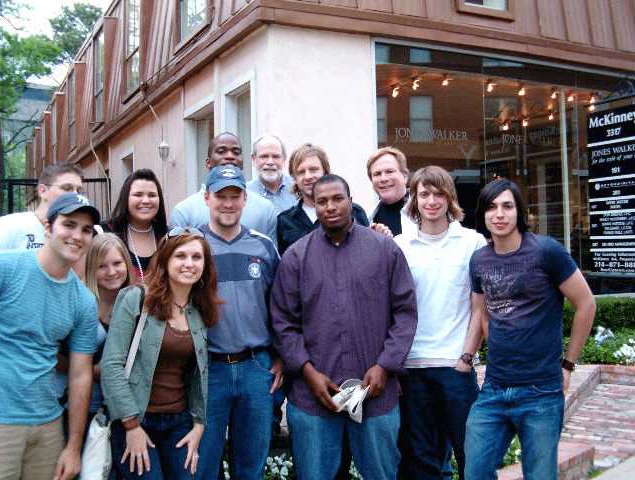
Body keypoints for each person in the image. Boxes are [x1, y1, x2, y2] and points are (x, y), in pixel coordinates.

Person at [271, 174, 418, 480]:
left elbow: (405, 313)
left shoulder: (385, 251)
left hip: (375, 392)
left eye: (337, 199)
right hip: (313, 397)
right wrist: (308, 372)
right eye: (321, 201)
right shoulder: (295, 257)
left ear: (351, 202)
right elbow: (283, 322)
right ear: (314, 206)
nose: (330, 207)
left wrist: (385, 365)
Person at [464, 178, 596, 480]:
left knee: (539, 475)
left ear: (519, 211)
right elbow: (481, 311)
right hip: (494, 390)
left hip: (541, 391)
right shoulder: (479, 260)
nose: (499, 214)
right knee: (475, 472)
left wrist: (568, 364)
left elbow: (586, 305)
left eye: (507, 206)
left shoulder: (547, 251)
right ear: (483, 214)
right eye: (492, 208)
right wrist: (477, 352)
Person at [101, 228, 221, 480]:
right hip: (135, 420)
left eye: (196, 257)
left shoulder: (199, 309)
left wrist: (199, 425)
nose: (189, 264)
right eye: (180, 256)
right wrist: (131, 426)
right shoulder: (136, 298)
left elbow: (198, 373)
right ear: (165, 261)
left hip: (179, 423)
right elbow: (111, 365)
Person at [0, 192, 100, 480]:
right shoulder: (3, 267)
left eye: (86, 230)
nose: (77, 236)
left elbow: (80, 375)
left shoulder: (83, 302)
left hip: (48, 426)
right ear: (47, 227)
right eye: (69, 224)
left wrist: (73, 446)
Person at [394, 166, 487, 480]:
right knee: (421, 462)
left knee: (472, 457)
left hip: (454, 367)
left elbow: (480, 308)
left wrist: (466, 358)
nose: (431, 200)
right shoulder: (399, 246)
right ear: (414, 200)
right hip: (413, 368)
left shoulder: (473, 244)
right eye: (424, 194)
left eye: (438, 193)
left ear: (450, 198)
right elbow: (392, 309)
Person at [195, 165, 283, 480]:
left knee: (251, 467)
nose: (228, 203)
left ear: (246, 199)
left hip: (256, 369)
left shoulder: (263, 246)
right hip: (207, 371)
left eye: (235, 196)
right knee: (201, 465)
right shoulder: (192, 248)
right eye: (221, 196)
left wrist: (279, 355)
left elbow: (281, 306)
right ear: (207, 197)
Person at [56, 233, 136, 443]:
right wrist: (97, 371)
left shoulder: (139, 303)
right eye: (102, 266)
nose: (111, 272)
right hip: (81, 408)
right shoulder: (78, 303)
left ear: (126, 264)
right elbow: (56, 357)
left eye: (117, 263)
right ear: (91, 267)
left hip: (125, 409)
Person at [170, 132, 278, 245]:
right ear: (208, 162)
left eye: (236, 153)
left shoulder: (265, 209)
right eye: (221, 152)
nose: (230, 156)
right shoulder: (184, 211)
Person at [277, 143, 370, 255]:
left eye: (313, 170)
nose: (308, 177)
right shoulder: (285, 221)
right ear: (294, 178)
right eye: (301, 172)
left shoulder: (354, 211)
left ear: (325, 172)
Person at [0, 163, 85, 252]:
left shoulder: (83, 234)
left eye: (79, 191)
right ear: (43, 190)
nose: (75, 195)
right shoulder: (9, 227)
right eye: (67, 188)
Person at [101, 169, 167, 279]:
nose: (146, 200)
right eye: (138, 195)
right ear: (125, 198)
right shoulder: (103, 232)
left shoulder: (169, 237)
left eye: (152, 195)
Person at [367, 147, 416, 236]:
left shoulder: (424, 212)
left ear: (405, 176)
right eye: (377, 174)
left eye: (389, 172)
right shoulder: (367, 221)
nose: (383, 179)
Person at [247, 134, 297, 214]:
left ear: (284, 159)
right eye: (264, 156)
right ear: (253, 159)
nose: (270, 162)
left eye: (275, 156)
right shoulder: (245, 194)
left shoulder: (298, 189)